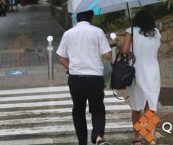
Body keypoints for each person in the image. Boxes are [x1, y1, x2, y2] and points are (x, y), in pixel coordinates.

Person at [56, 10, 112, 145]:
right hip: (95, 78)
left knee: (78, 110)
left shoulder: (68, 34)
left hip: (76, 79)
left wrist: (72, 68)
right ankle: (98, 136)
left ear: (77, 19)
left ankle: (82, 142)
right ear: (91, 18)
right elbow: (108, 55)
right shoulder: (98, 32)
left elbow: (61, 59)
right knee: (97, 109)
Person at [120, 10, 161, 145]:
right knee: (151, 105)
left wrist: (124, 42)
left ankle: (137, 139)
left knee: (137, 106)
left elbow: (125, 51)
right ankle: (151, 138)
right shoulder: (156, 33)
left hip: (136, 73)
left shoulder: (130, 31)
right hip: (153, 72)